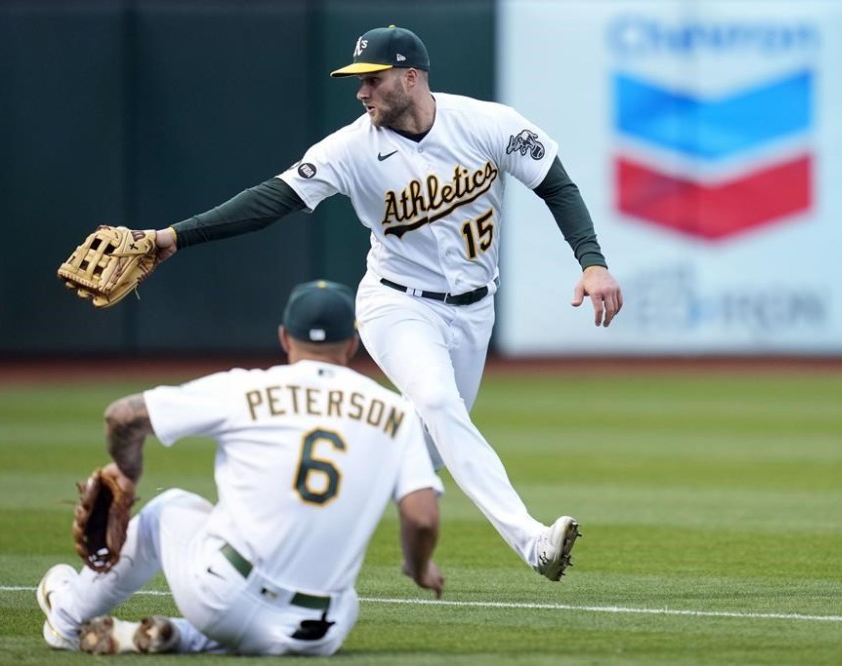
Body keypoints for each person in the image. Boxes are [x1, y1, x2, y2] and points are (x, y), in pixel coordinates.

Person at [149, 25, 623, 581]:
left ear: (411, 77)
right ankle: (532, 542)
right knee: (441, 405)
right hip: (397, 305)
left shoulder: (488, 123)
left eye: (373, 80)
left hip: (474, 310)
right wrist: (172, 237)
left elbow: (556, 185)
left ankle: (262, 523)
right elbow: (272, 199)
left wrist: (591, 261)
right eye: (358, 82)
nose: (362, 92)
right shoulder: (351, 148)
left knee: (427, 450)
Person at [36, 279, 444, 656]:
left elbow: (121, 416)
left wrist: (129, 471)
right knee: (343, 597)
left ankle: (67, 621)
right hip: (319, 631)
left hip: (220, 599)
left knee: (171, 506)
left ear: (284, 338)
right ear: (353, 344)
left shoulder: (246, 388)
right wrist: (419, 566)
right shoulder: (396, 413)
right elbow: (422, 518)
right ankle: (184, 637)